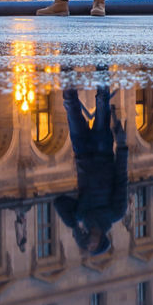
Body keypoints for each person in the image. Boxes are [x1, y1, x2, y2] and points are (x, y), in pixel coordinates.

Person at [52, 83, 129, 256]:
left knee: (71, 105)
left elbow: (59, 202)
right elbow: (121, 178)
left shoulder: (80, 216)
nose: (89, 243)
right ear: (102, 240)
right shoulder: (115, 213)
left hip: (82, 154)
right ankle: (102, 59)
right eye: (92, 246)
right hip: (103, 152)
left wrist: (74, 227)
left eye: (87, 245)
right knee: (102, 100)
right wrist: (122, 146)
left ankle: (66, 65)